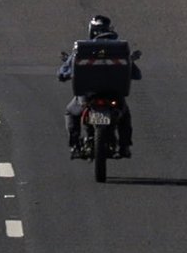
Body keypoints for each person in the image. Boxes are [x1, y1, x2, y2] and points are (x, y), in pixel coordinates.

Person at [59, 14, 141, 156]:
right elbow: (137, 75)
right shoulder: (119, 50)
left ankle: (75, 145)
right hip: (114, 95)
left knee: (71, 112)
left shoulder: (83, 49)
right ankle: (124, 146)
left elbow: (63, 72)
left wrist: (64, 74)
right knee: (125, 116)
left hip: (87, 96)